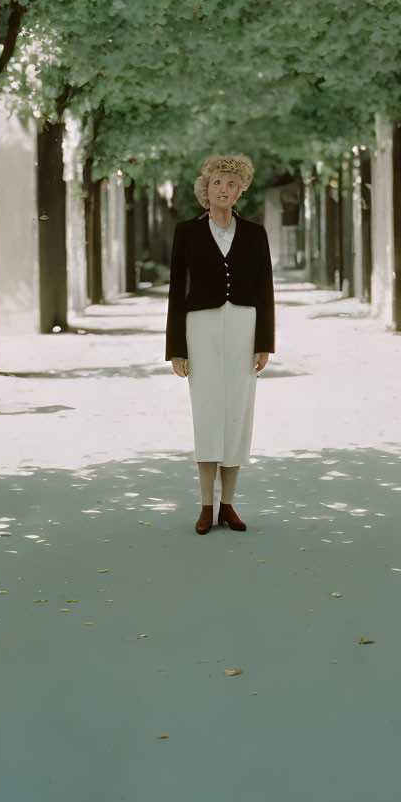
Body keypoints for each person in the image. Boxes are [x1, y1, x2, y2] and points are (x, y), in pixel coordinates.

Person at [165, 153, 275, 535]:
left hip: (245, 325)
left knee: (238, 414)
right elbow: (177, 291)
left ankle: (228, 503)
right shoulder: (187, 232)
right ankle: (205, 505)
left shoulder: (256, 234)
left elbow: (265, 290)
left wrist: (264, 343)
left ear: (241, 190)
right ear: (205, 190)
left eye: (232, 184)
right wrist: (176, 348)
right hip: (202, 327)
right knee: (208, 412)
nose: (224, 190)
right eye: (217, 183)